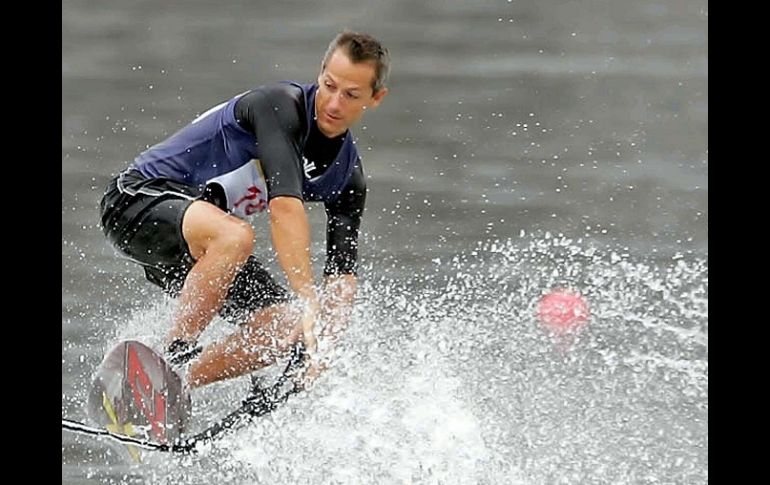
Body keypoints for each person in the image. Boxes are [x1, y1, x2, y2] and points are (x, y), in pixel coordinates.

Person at [98, 31, 390, 393]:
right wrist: (308, 295)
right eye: (329, 86)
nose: (333, 103)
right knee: (236, 236)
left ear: (376, 99)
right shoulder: (280, 106)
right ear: (320, 74)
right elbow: (284, 208)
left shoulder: (348, 176)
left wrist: (323, 347)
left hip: (200, 251)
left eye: (351, 95)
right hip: (135, 202)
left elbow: (342, 277)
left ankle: (173, 387)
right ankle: (173, 355)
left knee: (284, 326)